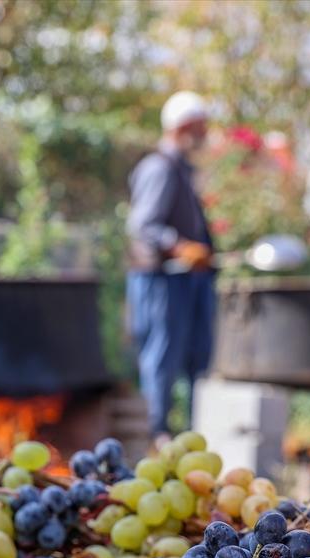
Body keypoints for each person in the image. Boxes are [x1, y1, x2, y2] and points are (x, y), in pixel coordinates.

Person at [126, 91, 216, 444]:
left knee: (195, 357)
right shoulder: (159, 168)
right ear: (183, 127)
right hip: (161, 281)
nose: (205, 134)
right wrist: (181, 247)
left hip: (186, 282)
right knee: (161, 357)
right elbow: (143, 225)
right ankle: (156, 433)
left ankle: (191, 433)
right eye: (200, 127)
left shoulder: (182, 169)